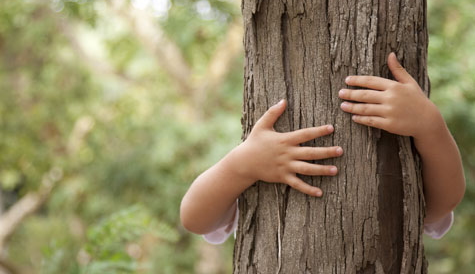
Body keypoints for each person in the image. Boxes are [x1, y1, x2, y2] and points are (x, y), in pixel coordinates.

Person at [180, 53, 466, 244]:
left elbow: (438, 206)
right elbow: (195, 218)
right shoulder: (264, 171)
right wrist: (242, 164)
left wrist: (431, 127)